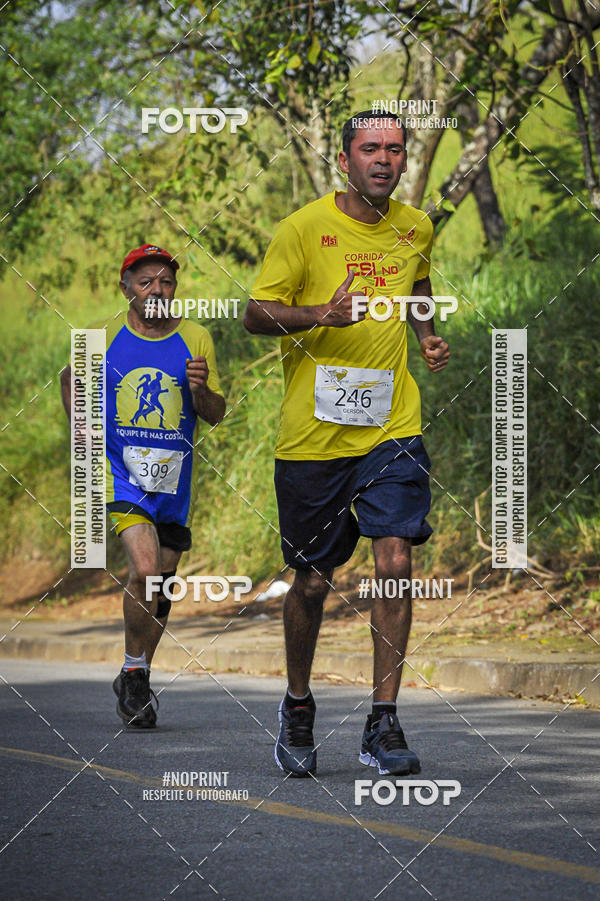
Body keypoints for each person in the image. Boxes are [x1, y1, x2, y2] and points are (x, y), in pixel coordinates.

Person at [243, 112, 450, 777]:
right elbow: (255, 314)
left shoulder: (416, 225)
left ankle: (383, 721)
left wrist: (425, 334)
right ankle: (298, 703)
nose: (384, 159)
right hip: (313, 437)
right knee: (310, 582)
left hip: (392, 427)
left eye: (395, 149)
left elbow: (416, 282)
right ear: (345, 158)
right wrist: (320, 315)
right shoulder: (302, 228)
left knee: (395, 558)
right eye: (371, 149)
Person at [61, 244, 225, 728]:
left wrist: (199, 391)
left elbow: (215, 413)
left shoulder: (196, 337)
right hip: (120, 473)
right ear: (126, 287)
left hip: (173, 480)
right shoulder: (103, 335)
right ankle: (135, 672)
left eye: (167, 281)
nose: (158, 289)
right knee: (148, 568)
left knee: (163, 583)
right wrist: (81, 428)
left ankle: (137, 671)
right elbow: (71, 378)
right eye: (146, 280)